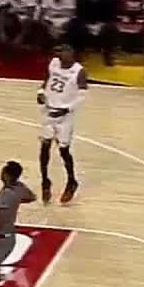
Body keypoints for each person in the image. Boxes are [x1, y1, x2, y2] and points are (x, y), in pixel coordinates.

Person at [37, 46, 88, 204]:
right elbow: (47, 79)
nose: (59, 55)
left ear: (71, 54)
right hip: (49, 111)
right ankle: (45, 182)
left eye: (63, 52)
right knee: (44, 147)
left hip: (65, 116)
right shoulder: (53, 63)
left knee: (63, 150)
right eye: (58, 52)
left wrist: (67, 109)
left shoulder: (79, 71)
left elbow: (82, 95)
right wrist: (40, 93)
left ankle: (72, 182)